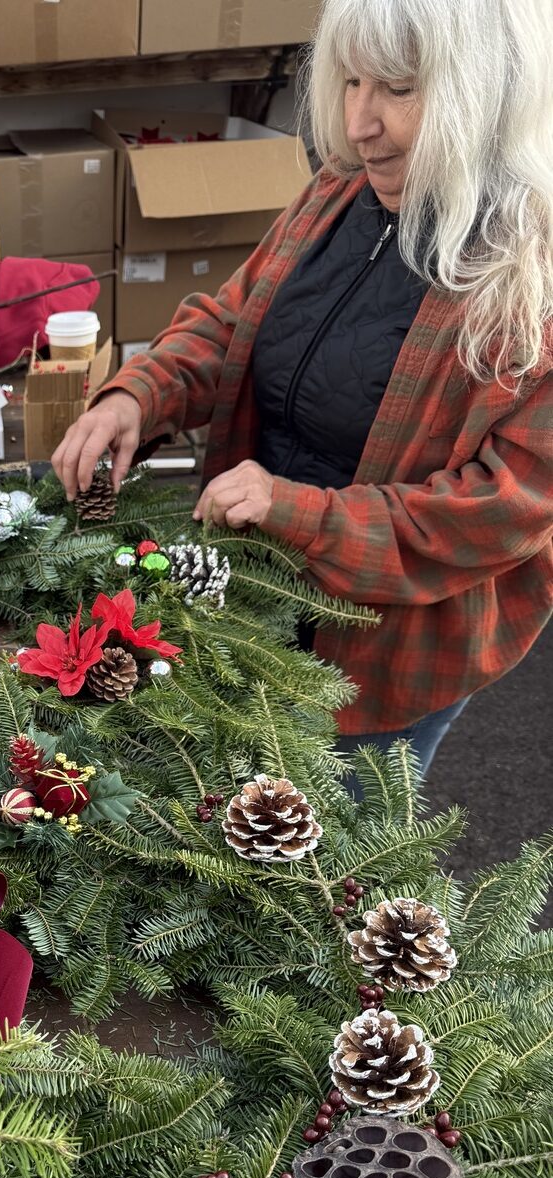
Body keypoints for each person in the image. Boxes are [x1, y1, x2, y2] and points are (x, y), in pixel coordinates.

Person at [53, 0, 553, 775]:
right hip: (258, 575)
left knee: (336, 839)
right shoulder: (339, 195)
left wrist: (300, 515)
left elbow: (499, 511)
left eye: (397, 88)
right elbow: (233, 321)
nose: (357, 124)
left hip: (387, 645)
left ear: (485, 93)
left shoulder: (530, 281)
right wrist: (138, 393)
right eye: (351, 81)